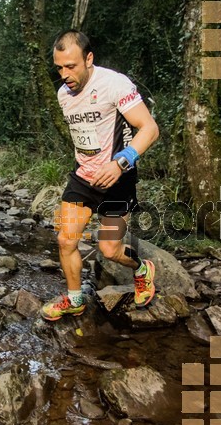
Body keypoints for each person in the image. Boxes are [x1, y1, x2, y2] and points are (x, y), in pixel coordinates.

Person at [40, 30, 160, 321]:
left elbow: (150, 128)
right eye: (59, 67)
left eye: (72, 66)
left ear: (89, 58)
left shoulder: (114, 84)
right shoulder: (62, 95)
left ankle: (142, 269)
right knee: (66, 241)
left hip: (118, 178)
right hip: (84, 178)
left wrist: (120, 162)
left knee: (109, 250)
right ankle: (75, 299)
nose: (65, 74)